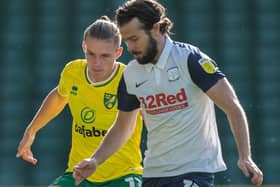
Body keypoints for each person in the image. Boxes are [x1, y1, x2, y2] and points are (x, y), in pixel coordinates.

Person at [73, 1, 263, 187]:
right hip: (153, 173)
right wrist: (96, 160)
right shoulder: (131, 74)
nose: (130, 48)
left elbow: (232, 106)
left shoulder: (190, 59)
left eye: (135, 39)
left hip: (194, 170)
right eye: (126, 40)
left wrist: (245, 156)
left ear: (156, 28)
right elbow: (123, 127)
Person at [16, 16, 143, 187]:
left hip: (122, 176)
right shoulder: (73, 71)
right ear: (84, 47)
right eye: (91, 54)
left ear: (118, 53)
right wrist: (31, 131)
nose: (97, 63)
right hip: (79, 175)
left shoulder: (130, 79)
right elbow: (60, 96)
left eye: (105, 56)